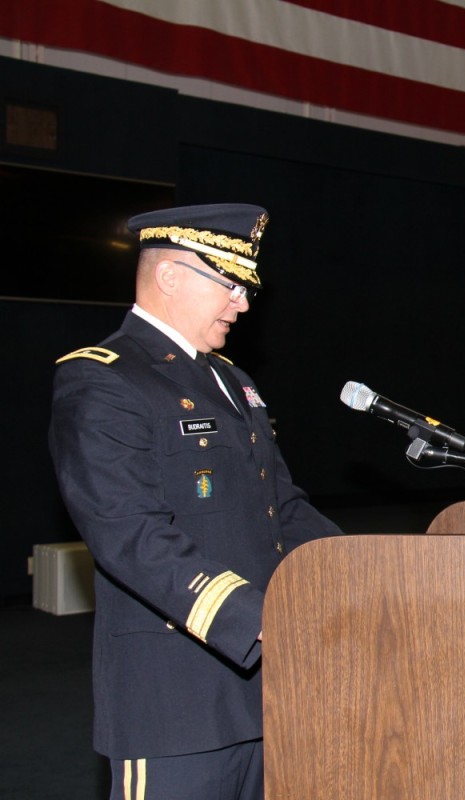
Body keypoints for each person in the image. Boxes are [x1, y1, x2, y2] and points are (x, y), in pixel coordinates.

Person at [48, 203, 344, 800]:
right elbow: (129, 534)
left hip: (264, 685)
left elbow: (281, 508)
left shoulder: (234, 382)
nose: (242, 302)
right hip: (174, 700)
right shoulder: (104, 379)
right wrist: (259, 620)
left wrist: (364, 570)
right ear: (170, 276)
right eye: (230, 284)